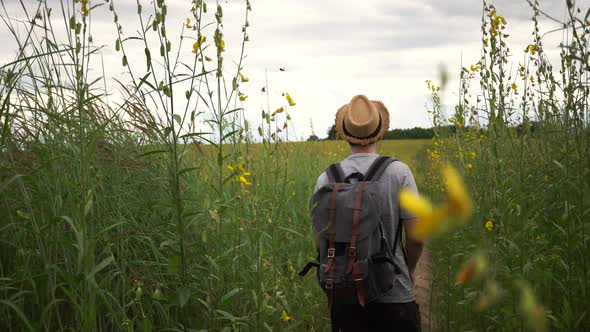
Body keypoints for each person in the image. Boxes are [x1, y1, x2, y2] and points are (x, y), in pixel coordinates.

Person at [313, 95, 424, 332]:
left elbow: (321, 240)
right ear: (379, 133)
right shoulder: (399, 173)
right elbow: (416, 237)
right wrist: (410, 269)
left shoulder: (327, 178)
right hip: (395, 293)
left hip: (345, 295)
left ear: (345, 134)